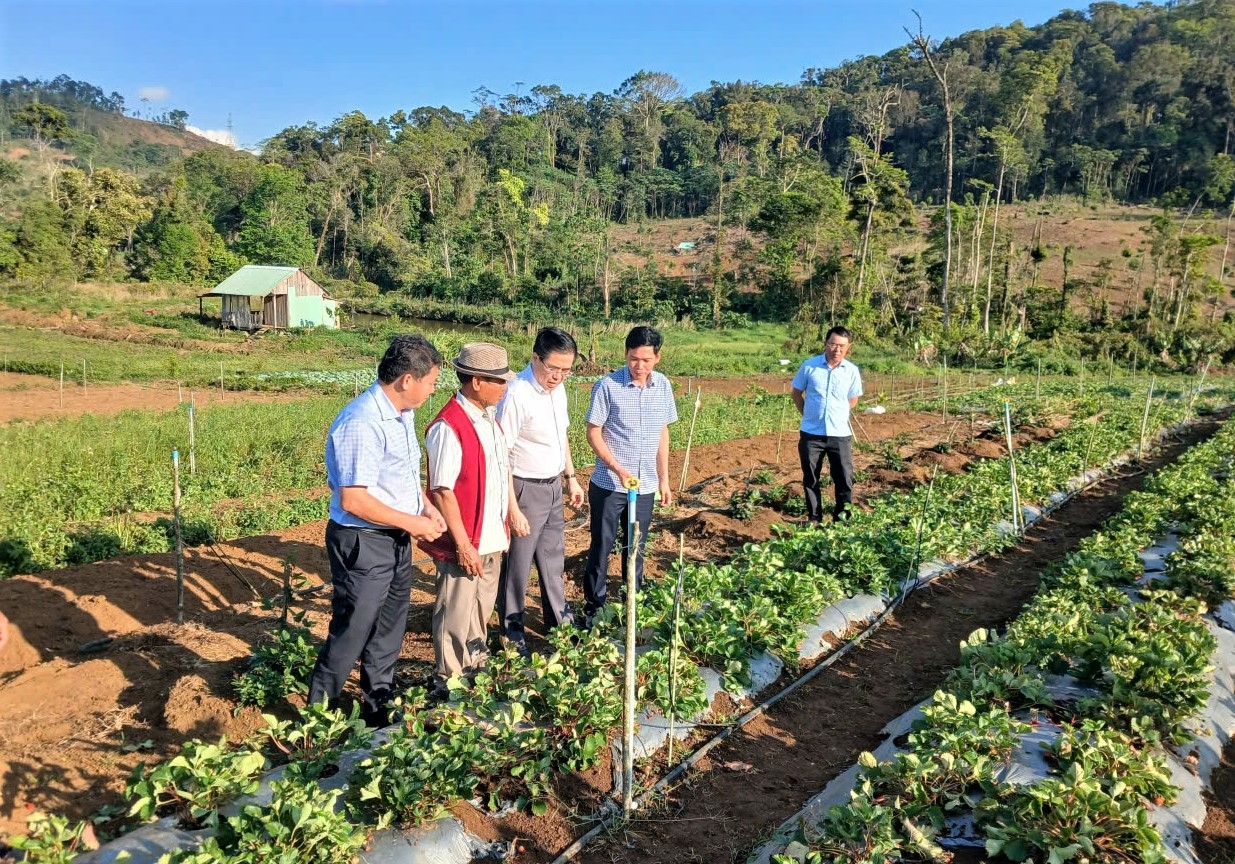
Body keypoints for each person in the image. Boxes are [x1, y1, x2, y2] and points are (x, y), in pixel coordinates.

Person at [308, 334, 447, 728]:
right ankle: (318, 719)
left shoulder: (403, 415)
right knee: (353, 630)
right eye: (431, 381)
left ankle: (377, 706)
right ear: (407, 380)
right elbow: (354, 499)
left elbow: (399, 475)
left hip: (394, 536)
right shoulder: (362, 422)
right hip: (362, 541)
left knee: (389, 626)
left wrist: (424, 506)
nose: (433, 389)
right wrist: (413, 523)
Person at [420, 343, 526, 692]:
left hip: (492, 536)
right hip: (466, 541)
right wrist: (463, 544)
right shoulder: (449, 426)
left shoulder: (487, 420)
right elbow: (443, 491)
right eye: (500, 382)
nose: (505, 388)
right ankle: (449, 681)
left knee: (480, 610)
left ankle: (476, 668)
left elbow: (499, 472)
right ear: (477, 382)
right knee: (455, 613)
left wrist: (510, 512)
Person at [495, 327, 585, 656]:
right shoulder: (516, 394)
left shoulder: (556, 391)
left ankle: (559, 624)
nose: (559, 376)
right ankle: (512, 634)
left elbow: (561, 437)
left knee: (552, 559)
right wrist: (512, 508)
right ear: (535, 358)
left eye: (566, 369)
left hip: (552, 486)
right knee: (517, 566)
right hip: (523, 488)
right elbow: (500, 452)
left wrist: (571, 477)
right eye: (553, 368)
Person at [582, 326, 678, 623]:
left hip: (646, 484)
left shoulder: (662, 386)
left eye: (646, 360)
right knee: (602, 545)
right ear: (626, 354)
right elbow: (593, 432)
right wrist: (618, 468)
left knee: (636, 546)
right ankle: (594, 608)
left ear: (657, 358)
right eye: (634, 359)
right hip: (610, 484)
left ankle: (631, 603)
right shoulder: (607, 386)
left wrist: (663, 479)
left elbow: (663, 433)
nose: (639, 366)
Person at [791, 325, 863, 522]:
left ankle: (842, 520)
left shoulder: (852, 371)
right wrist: (807, 413)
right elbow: (796, 393)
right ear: (826, 344)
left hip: (839, 434)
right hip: (811, 434)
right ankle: (815, 519)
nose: (836, 349)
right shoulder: (809, 366)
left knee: (844, 478)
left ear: (848, 347)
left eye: (841, 346)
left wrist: (837, 414)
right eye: (832, 344)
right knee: (811, 478)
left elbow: (853, 399)